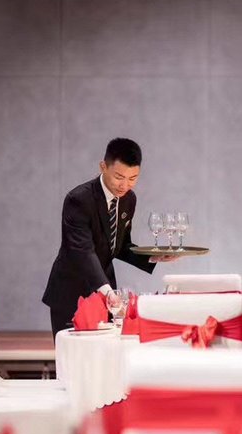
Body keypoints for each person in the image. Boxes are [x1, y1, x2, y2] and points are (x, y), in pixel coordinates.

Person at [42, 138, 176, 337]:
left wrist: (153, 257)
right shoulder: (78, 199)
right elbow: (82, 251)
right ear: (103, 167)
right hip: (72, 290)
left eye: (133, 178)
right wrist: (109, 293)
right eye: (119, 176)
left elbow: (120, 246)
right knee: (73, 355)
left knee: (105, 353)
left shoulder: (128, 199)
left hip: (106, 293)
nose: (125, 185)